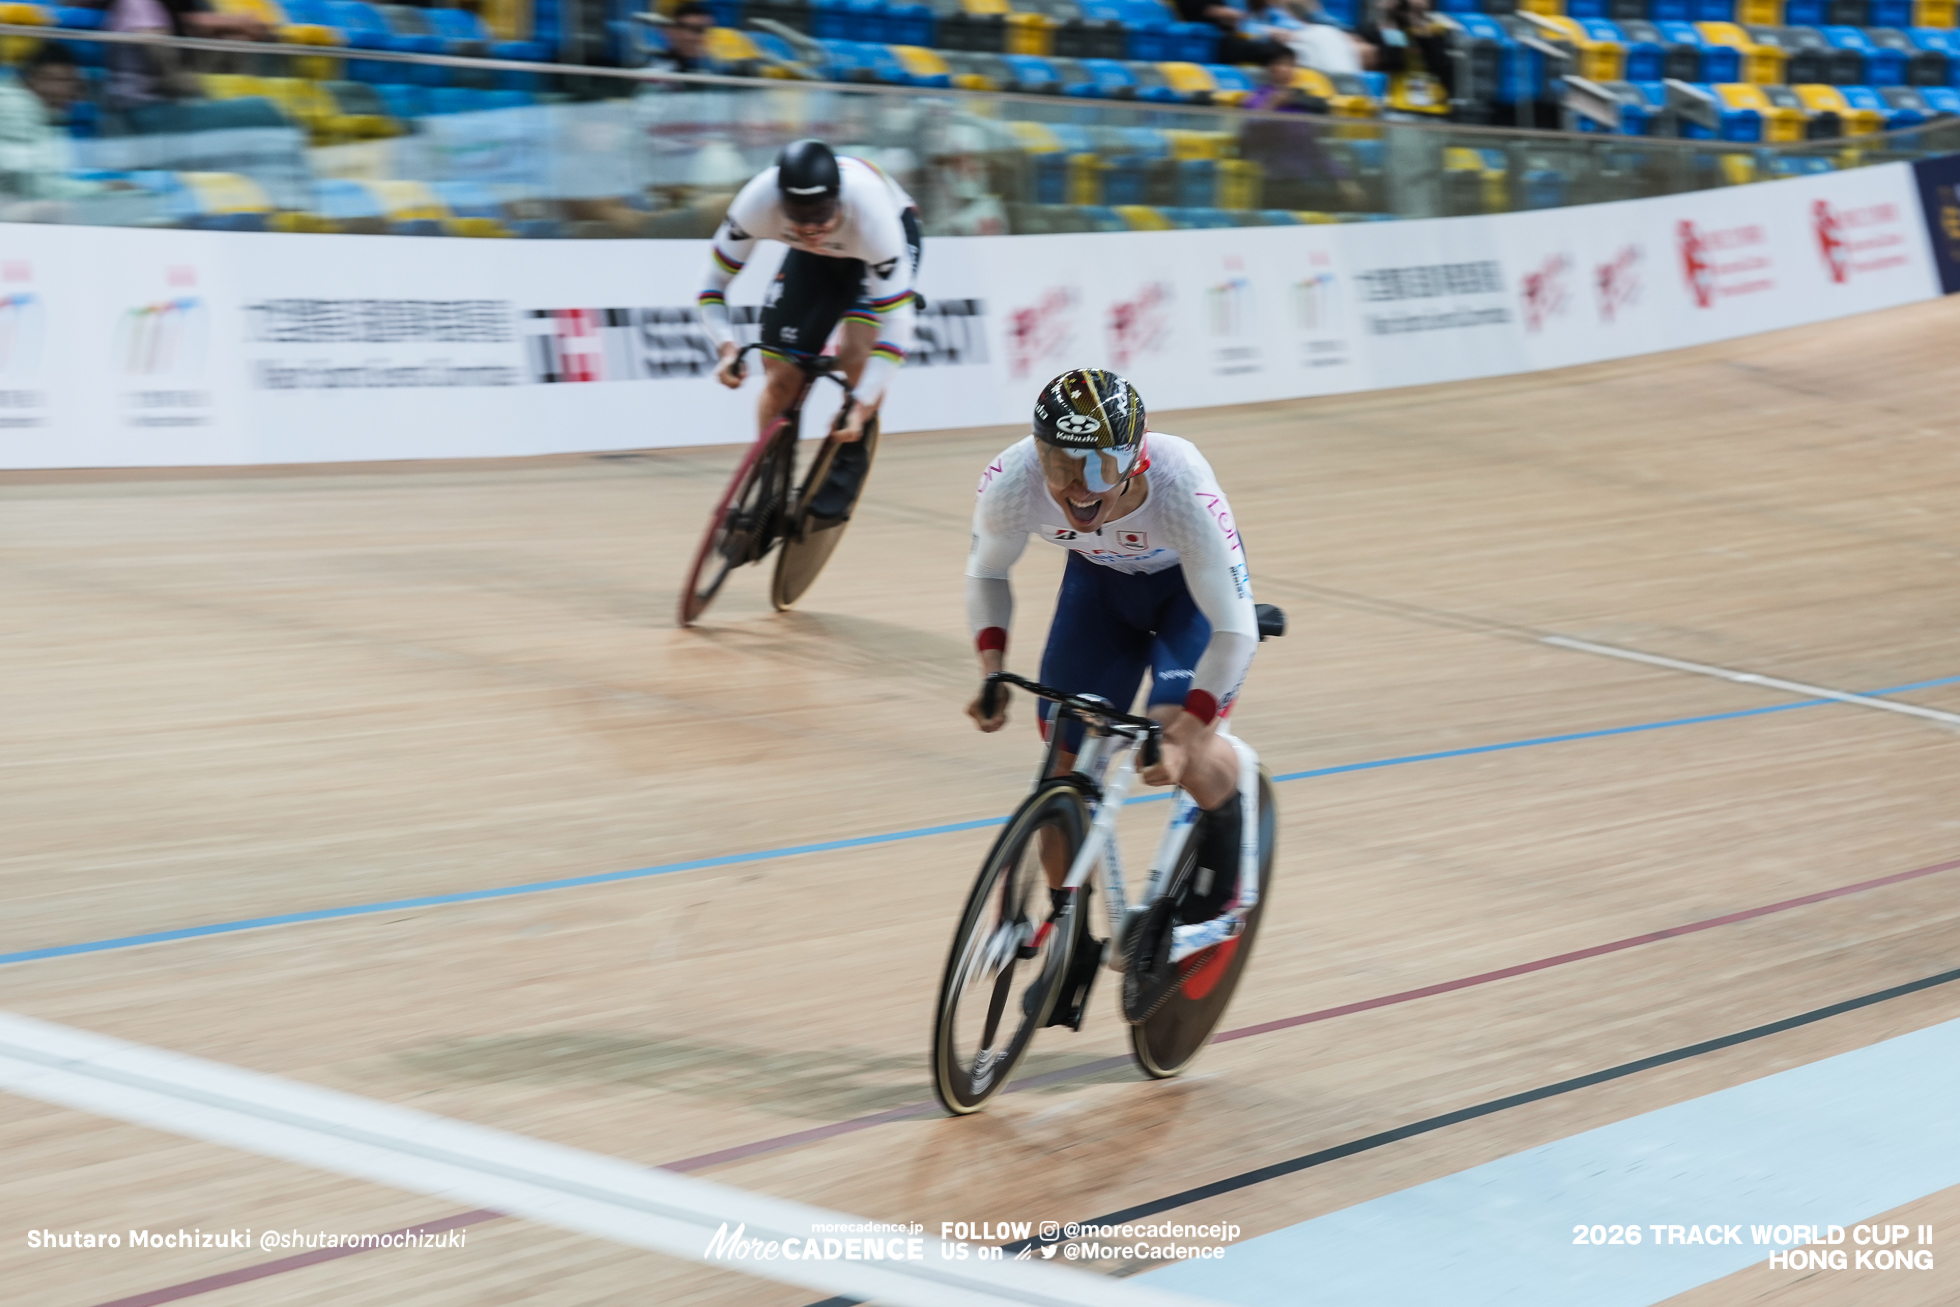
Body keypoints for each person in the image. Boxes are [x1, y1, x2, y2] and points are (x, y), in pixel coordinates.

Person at [965, 370, 1262, 975]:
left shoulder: (1181, 486)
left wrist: (1186, 734)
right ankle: (1068, 928)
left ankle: (1227, 825)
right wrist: (992, 669)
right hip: (1100, 592)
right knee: (1064, 761)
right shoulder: (1013, 479)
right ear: (1039, 454)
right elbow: (987, 572)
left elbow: (1236, 629)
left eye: (1099, 468)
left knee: (1173, 737)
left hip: (1188, 600)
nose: (1078, 488)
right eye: (1061, 465)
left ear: (1135, 459)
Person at [698, 139, 920, 521]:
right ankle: (768, 488)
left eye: (820, 214)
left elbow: (898, 324)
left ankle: (849, 455)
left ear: (838, 198)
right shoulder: (757, 202)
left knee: (857, 354)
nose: (812, 227)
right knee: (781, 375)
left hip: (875, 241)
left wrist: (861, 404)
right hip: (815, 259)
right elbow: (711, 286)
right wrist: (727, 347)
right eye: (799, 216)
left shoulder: (873, 216)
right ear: (781, 202)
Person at [1356, 0, 1453, 112]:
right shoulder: (1376, 31)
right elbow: (1394, 61)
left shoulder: (1437, 31)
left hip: (1435, 105)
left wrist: (1420, 26)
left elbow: (1442, 69)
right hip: (1397, 105)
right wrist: (1389, 20)